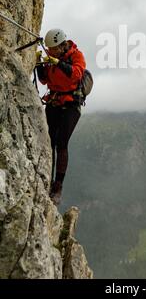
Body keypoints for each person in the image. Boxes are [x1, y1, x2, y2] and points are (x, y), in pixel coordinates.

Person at [36, 28, 86, 205]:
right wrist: (40, 64)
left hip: (71, 104)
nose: (51, 52)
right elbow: (44, 81)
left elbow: (76, 74)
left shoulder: (76, 56)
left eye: (54, 49)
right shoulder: (52, 56)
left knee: (61, 143)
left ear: (63, 45)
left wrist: (57, 62)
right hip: (55, 101)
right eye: (50, 49)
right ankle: (47, 179)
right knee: (49, 141)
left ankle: (58, 187)